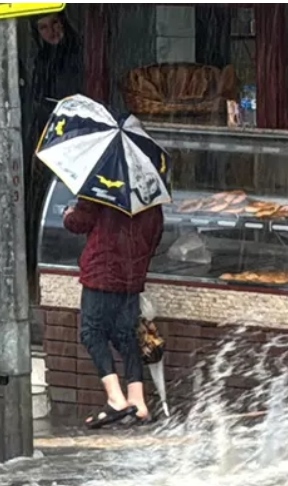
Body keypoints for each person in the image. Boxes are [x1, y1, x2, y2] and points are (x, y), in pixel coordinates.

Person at [63, 200, 164, 428]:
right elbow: (156, 235)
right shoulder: (149, 196)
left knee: (92, 333)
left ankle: (116, 399)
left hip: (102, 272)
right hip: (132, 275)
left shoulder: (102, 189)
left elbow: (79, 222)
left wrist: (68, 213)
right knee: (126, 335)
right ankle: (137, 402)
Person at [26, 12, 84, 299]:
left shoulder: (77, 56)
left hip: (73, 138)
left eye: (56, 23)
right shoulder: (42, 59)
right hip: (47, 138)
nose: (52, 31)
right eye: (44, 27)